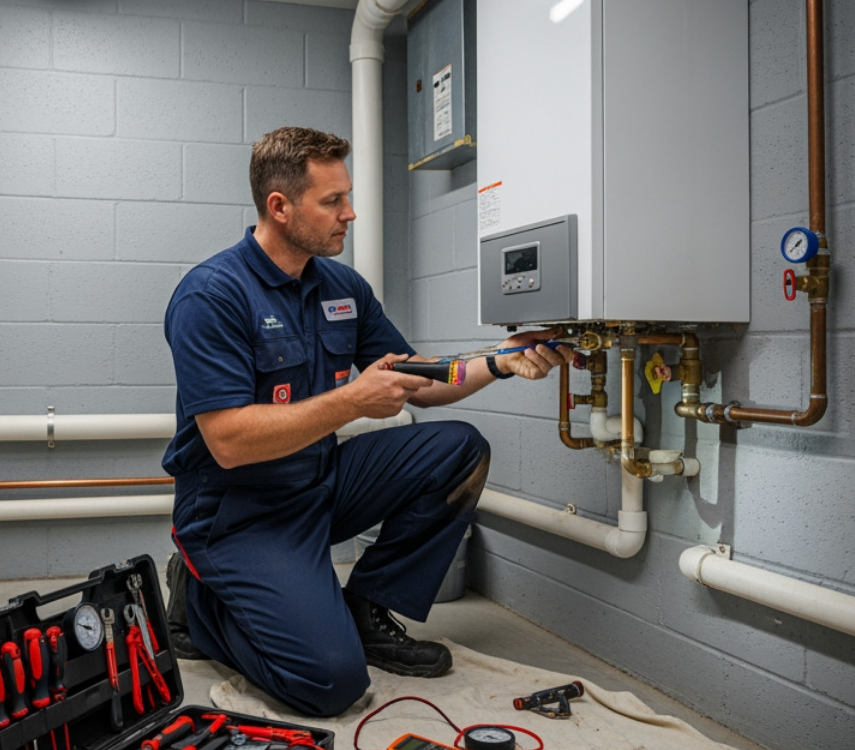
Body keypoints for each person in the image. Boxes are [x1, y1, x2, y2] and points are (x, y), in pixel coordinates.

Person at [162, 126, 573, 718]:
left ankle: (367, 608)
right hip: (238, 511)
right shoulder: (213, 295)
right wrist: (353, 401)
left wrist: (502, 361)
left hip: (319, 481)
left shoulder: (342, 288)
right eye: (332, 201)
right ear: (279, 207)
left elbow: (420, 382)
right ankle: (198, 607)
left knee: (456, 449)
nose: (349, 214)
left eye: (346, 197)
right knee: (329, 683)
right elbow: (226, 442)